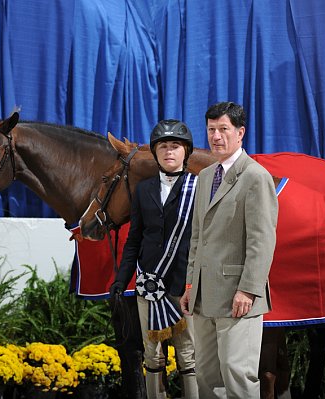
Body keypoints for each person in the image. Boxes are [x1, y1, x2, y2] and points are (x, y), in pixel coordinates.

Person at [179, 101, 278, 398]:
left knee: (237, 375)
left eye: (223, 129)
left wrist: (248, 289)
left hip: (238, 295)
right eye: (211, 130)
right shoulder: (205, 176)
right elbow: (197, 238)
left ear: (240, 133)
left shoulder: (256, 177)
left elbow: (262, 241)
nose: (216, 136)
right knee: (208, 375)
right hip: (203, 295)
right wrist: (190, 285)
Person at [110, 119, 199, 398]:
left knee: (188, 353)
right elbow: (135, 238)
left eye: (175, 146)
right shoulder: (143, 190)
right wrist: (121, 278)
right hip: (149, 284)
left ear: (186, 152)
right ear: (155, 152)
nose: (169, 152)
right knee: (152, 354)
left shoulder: (198, 188)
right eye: (163, 147)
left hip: (185, 285)